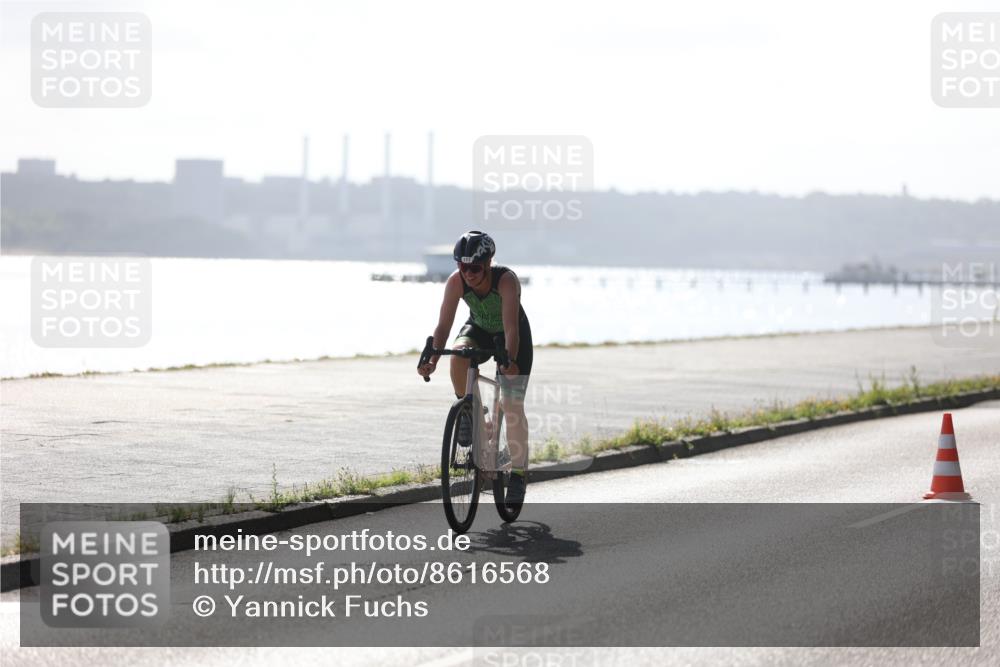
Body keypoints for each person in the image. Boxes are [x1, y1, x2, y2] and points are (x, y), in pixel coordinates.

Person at [417, 230, 532, 505]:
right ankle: (470, 413)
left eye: (475, 268)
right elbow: (443, 326)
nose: (468, 274)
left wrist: (509, 361)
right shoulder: (455, 281)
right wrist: (432, 358)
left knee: (512, 406)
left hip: (511, 337)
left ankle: (518, 474)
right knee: (458, 356)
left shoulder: (506, 280)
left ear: (488, 263)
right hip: (478, 329)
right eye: (462, 266)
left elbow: (511, 328)